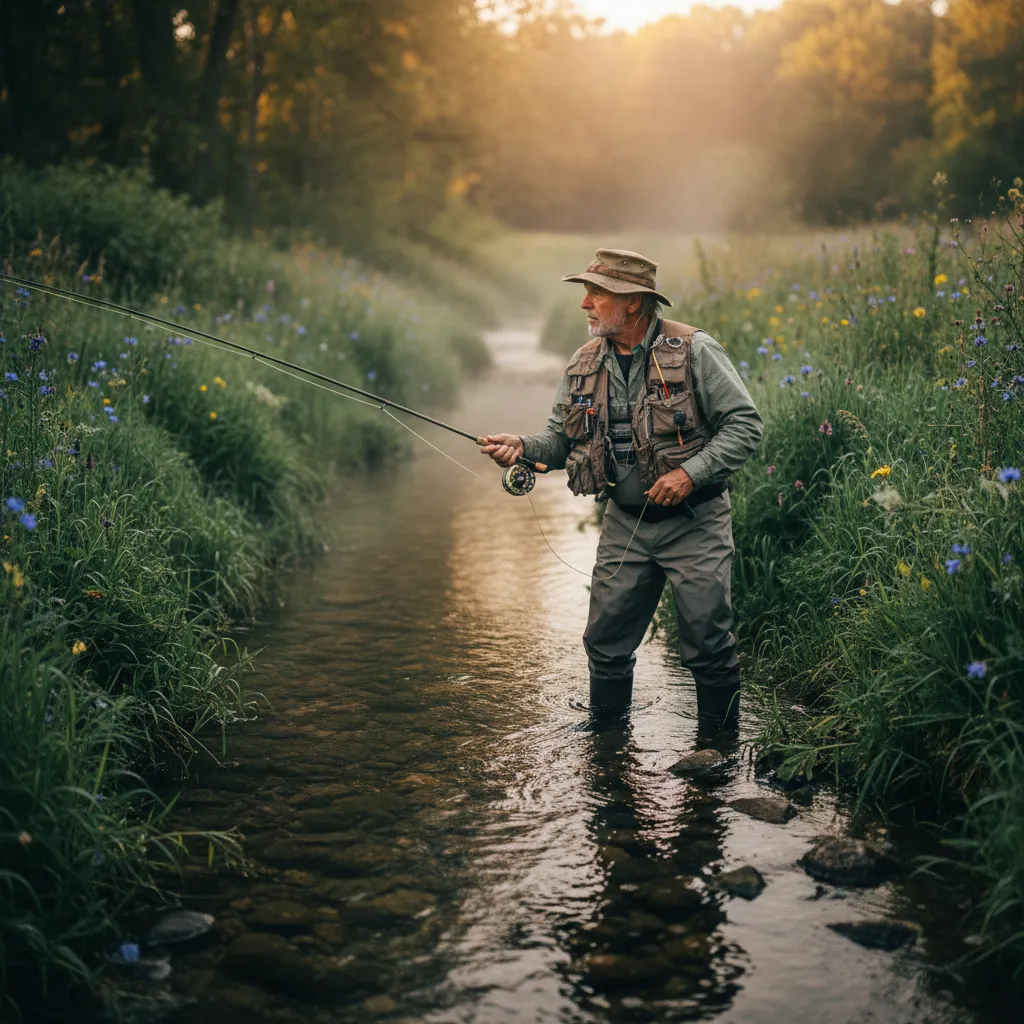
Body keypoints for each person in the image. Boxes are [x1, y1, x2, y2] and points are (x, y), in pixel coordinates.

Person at [481, 249, 763, 734]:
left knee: (707, 640)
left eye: (597, 293)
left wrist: (690, 474)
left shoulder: (696, 350)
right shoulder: (583, 361)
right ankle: (607, 745)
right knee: (606, 642)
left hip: (695, 522)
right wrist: (523, 447)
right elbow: (560, 441)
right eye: (586, 292)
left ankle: (719, 749)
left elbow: (745, 425)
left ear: (633, 302)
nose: (585, 303)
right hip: (624, 523)